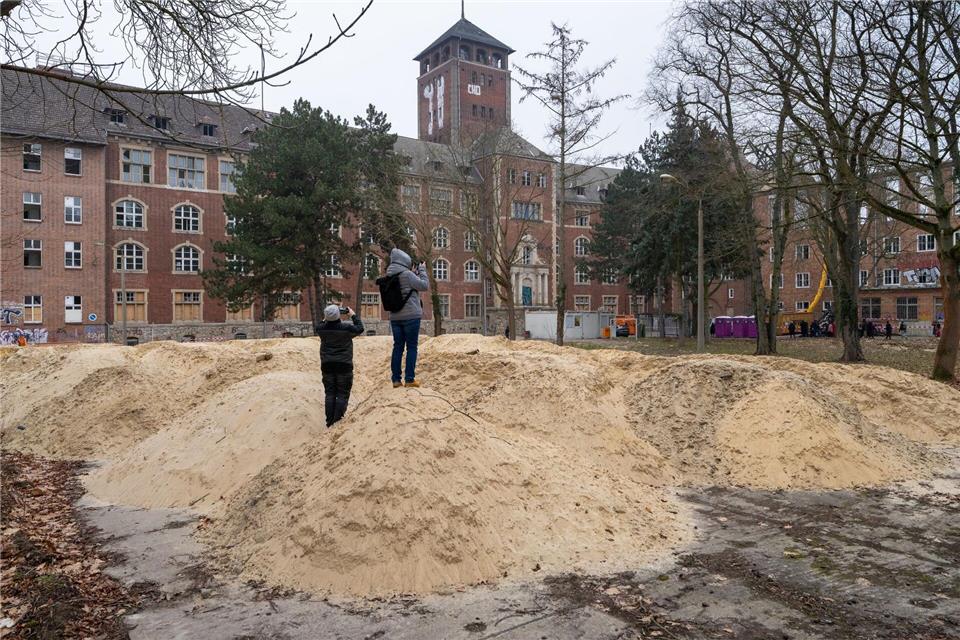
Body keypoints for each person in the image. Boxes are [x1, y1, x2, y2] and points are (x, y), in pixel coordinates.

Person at [385, 248, 429, 388]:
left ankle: (396, 380)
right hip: (411, 317)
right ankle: (409, 379)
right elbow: (424, 285)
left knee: (397, 347)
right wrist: (422, 270)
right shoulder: (407, 275)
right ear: (405, 261)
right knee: (411, 347)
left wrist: (414, 274)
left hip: (395, 317)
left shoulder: (389, 276)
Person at [316, 304, 364, 428]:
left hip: (327, 364)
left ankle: (329, 421)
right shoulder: (346, 328)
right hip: (344, 364)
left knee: (330, 393)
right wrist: (352, 315)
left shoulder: (321, 329)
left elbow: (321, 323)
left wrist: (327, 317)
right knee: (342, 393)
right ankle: (337, 421)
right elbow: (360, 328)